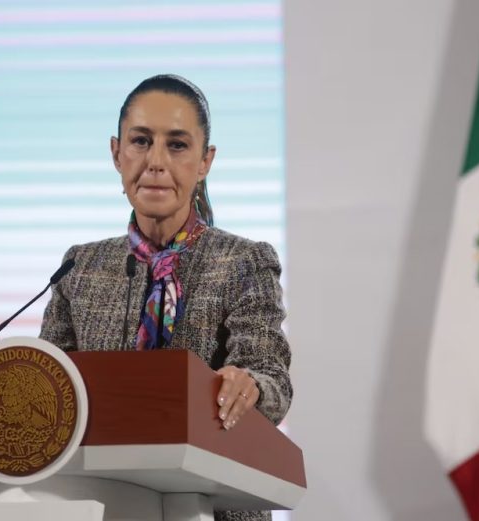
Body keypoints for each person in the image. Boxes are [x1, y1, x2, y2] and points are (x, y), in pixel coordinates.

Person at [39, 74, 292, 521]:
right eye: (141, 141)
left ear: (205, 161)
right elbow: (48, 389)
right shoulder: (80, 267)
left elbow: (272, 379)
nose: (155, 162)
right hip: (100, 504)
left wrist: (248, 385)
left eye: (177, 145)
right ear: (116, 153)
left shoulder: (243, 261)